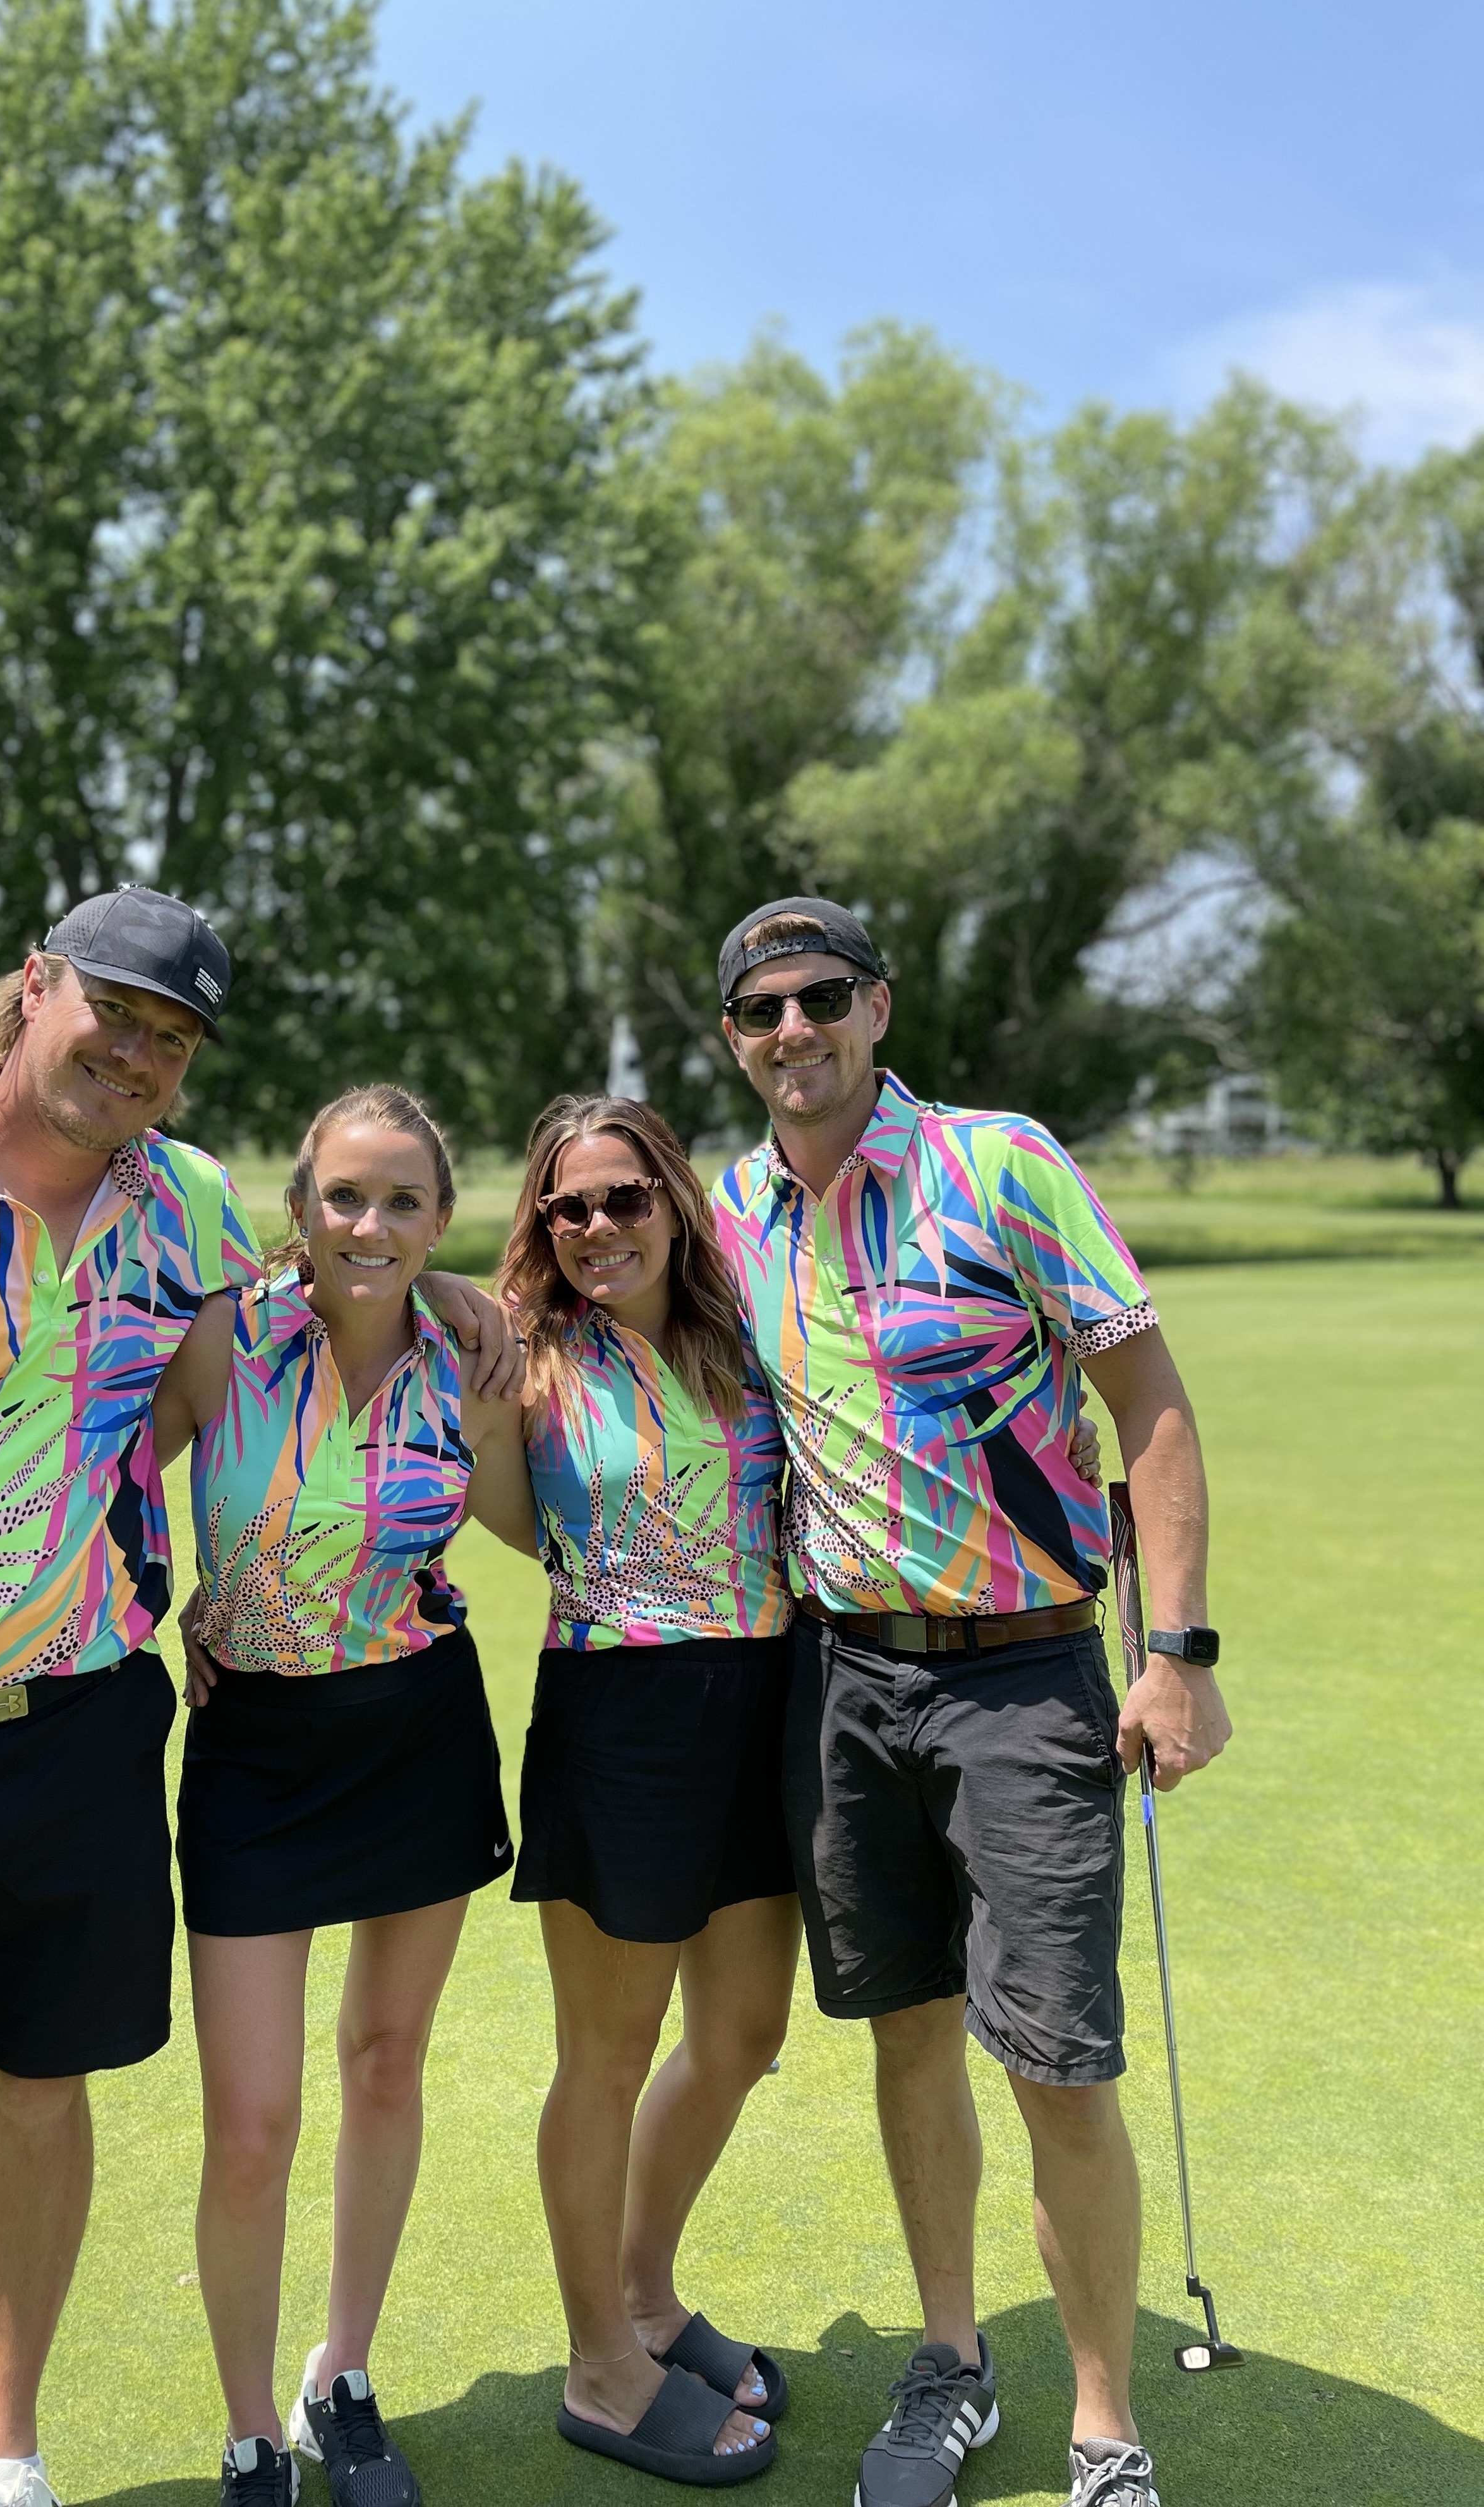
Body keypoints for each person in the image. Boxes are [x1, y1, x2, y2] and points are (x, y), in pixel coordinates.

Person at [0, 894, 521, 2507]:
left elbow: (318, 1296)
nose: (139, 1055)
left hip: (86, 1725)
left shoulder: (187, 1206)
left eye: (174, 1038)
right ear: (35, 989)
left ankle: (1, 2446)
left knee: (40, 2087)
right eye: (118, 1014)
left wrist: (447, 1297)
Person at [708, 897, 1233, 2507]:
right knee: (911, 2033)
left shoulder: (1000, 1165)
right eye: (760, 1011)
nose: (793, 1032)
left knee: (1059, 2060)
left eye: (821, 998)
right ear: (733, 1039)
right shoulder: (730, 1210)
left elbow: (1147, 1405)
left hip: (1024, 1674)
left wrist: (1178, 1653)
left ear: (877, 1006)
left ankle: (1104, 2427)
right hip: (844, 1674)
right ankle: (953, 2362)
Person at [155, 1084, 533, 2507]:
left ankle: (342, 2378)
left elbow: (532, 1527)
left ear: (441, 1221)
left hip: (415, 1737)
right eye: (346, 1197)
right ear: (301, 1209)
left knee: (385, 2062)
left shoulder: (469, 1362)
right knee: (252, 2122)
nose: (370, 1226)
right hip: (252, 1753)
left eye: (404, 1204)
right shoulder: (223, 1339)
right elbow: (95, 1467)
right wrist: (170, 1609)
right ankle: (252, 2425)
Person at [495, 1094, 795, 2487]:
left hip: (769, 1701)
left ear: (674, 1200)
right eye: (567, 1207)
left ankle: (648, 2297)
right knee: (607, 2058)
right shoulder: (518, 1352)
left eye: (623, 1197)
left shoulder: (743, 1333)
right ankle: (600, 2365)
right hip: (620, 1713)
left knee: (742, 2034)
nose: (596, 1225)